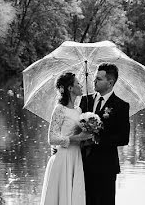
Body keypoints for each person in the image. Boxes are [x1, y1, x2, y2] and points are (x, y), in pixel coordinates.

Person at [79, 63, 130, 205]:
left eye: (99, 79)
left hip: (106, 165)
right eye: (94, 78)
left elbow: (124, 138)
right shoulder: (85, 100)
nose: (94, 81)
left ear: (110, 82)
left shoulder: (121, 105)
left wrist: (98, 139)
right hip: (83, 163)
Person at [40, 72, 93, 205]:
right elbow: (51, 138)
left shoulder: (79, 111)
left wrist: (89, 132)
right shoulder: (59, 109)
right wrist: (76, 138)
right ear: (70, 88)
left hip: (76, 157)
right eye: (77, 84)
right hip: (63, 157)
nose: (81, 86)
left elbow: (81, 136)